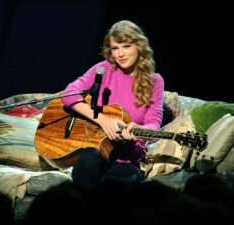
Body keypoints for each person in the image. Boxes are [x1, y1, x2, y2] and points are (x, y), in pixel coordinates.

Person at [61, 20, 164, 190]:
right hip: (95, 149)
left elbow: (154, 125)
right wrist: (103, 120)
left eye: (126, 46)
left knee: (116, 185)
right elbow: (68, 94)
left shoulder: (155, 81)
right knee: (88, 160)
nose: (120, 54)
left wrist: (137, 129)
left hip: (127, 157)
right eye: (115, 48)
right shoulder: (103, 69)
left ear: (139, 46)